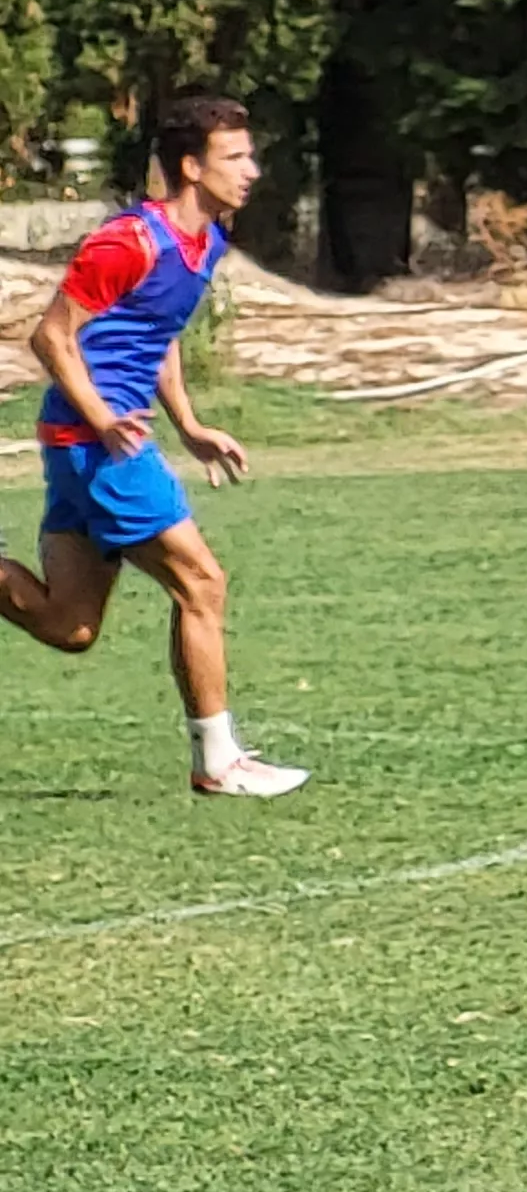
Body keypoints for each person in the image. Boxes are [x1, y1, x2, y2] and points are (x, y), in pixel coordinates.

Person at [0, 93, 303, 796]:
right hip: (98, 442)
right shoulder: (128, 240)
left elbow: (157, 333)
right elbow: (50, 336)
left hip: (93, 439)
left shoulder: (207, 241)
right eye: (236, 157)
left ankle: (217, 759)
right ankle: (218, 762)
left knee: (70, 625)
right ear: (191, 167)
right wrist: (106, 418)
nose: (252, 170)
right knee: (202, 583)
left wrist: (190, 424)